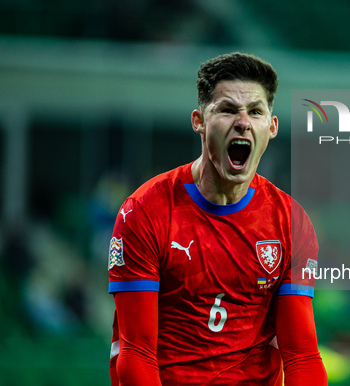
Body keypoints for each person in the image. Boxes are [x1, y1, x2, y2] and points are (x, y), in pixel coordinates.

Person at [107, 52, 327, 385]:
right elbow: (136, 353)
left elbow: (302, 357)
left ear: (272, 126)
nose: (243, 122)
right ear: (199, 120)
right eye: (226, 109)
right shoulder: (145, 211)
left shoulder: (290, 222)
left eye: (255, 111)